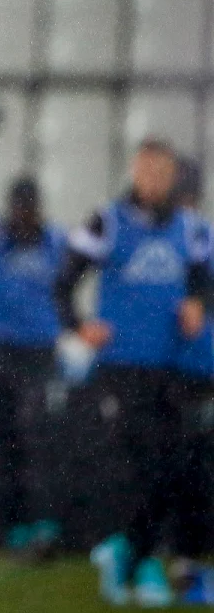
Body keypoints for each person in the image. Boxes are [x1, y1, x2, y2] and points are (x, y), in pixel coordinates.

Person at [55, 139, 210, 607]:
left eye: (163, 174)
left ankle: (129, 554)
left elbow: (205, 277)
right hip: (122, 366)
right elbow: (65, 279)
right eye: (147, 172)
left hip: (171, 365)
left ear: (172, 178)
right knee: (143, 466)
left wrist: (197, 303)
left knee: (169, 465)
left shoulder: (190, 228)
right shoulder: (108, 221)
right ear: (136, 173)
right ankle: (138, 560)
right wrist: (79, 326)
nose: (155, 182)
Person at [0, 148, 68, 556]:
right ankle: (17, 529)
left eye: (30, 207)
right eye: (20, 207)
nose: (25, 215)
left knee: (36, 437)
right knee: (7, 442)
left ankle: (45, 524)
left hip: (40, 353)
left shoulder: (56, 242)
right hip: (2, 352)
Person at [165, 158, 214, 603]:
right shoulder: (193, 239)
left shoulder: (191, 239)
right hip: (190, 370)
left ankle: (185, 558)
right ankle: (186, 559)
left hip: (193, 368)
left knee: (192, 468)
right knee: (193, 467)